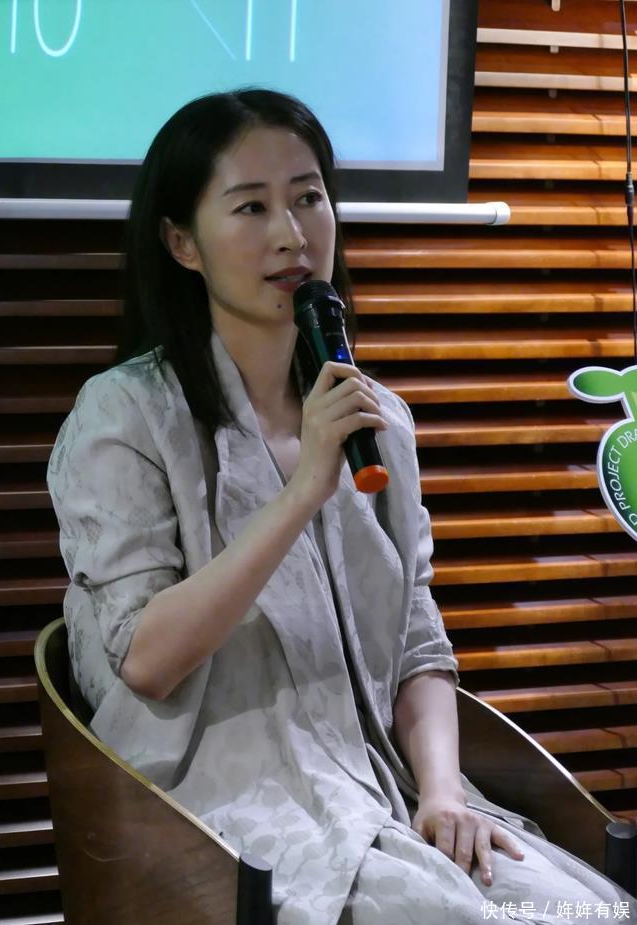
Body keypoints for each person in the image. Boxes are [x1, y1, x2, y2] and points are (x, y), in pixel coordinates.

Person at [47, 89, 635, 925]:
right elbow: (146, 659)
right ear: (182, 243)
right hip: (217, 817)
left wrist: (443, 792)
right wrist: (301, 491)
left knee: (595, 912)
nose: (292, 233)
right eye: (251, 207)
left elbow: (419, 643)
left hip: (391, 792)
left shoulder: (377, 416)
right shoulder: (124, 414)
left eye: (309, 197)